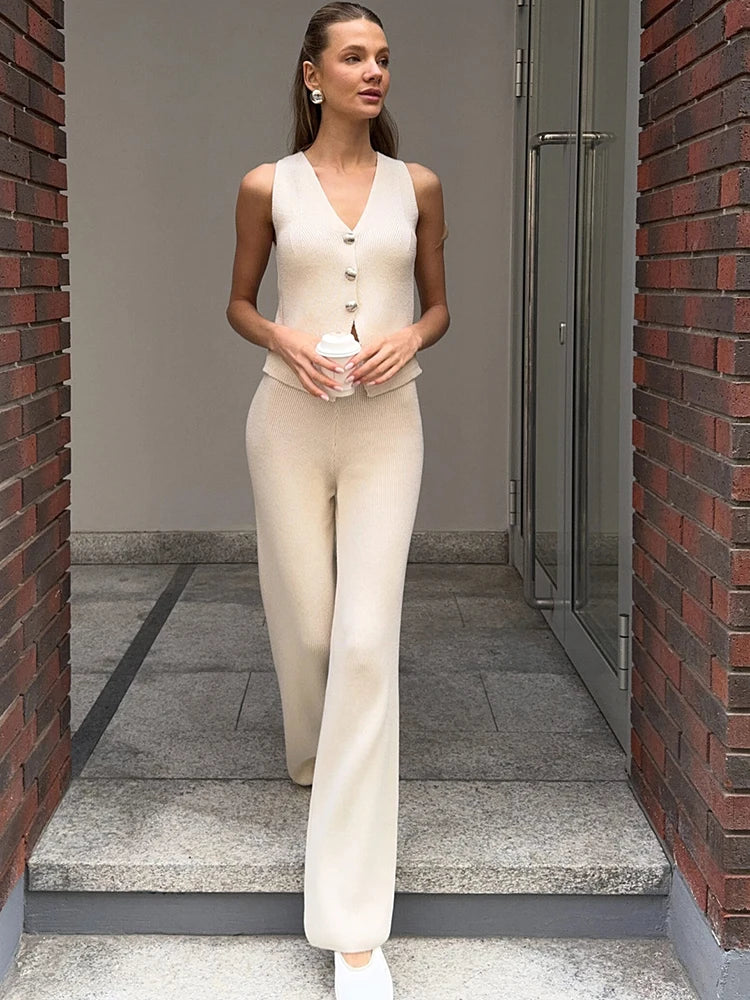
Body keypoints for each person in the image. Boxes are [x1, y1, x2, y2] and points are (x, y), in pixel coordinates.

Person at [225, 3, 449, 996]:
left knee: (365, 643)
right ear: (313, 75)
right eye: (355, 56)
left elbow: (440, 304)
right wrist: (286, 341)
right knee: (311, 632)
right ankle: (314, 753)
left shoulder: (420, 187)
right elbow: (236, 301)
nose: (375, 70)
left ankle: (355, 932)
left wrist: (418, 334)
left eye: (384, 56)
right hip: (288, 424)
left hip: (386, 430)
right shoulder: (265, 185)